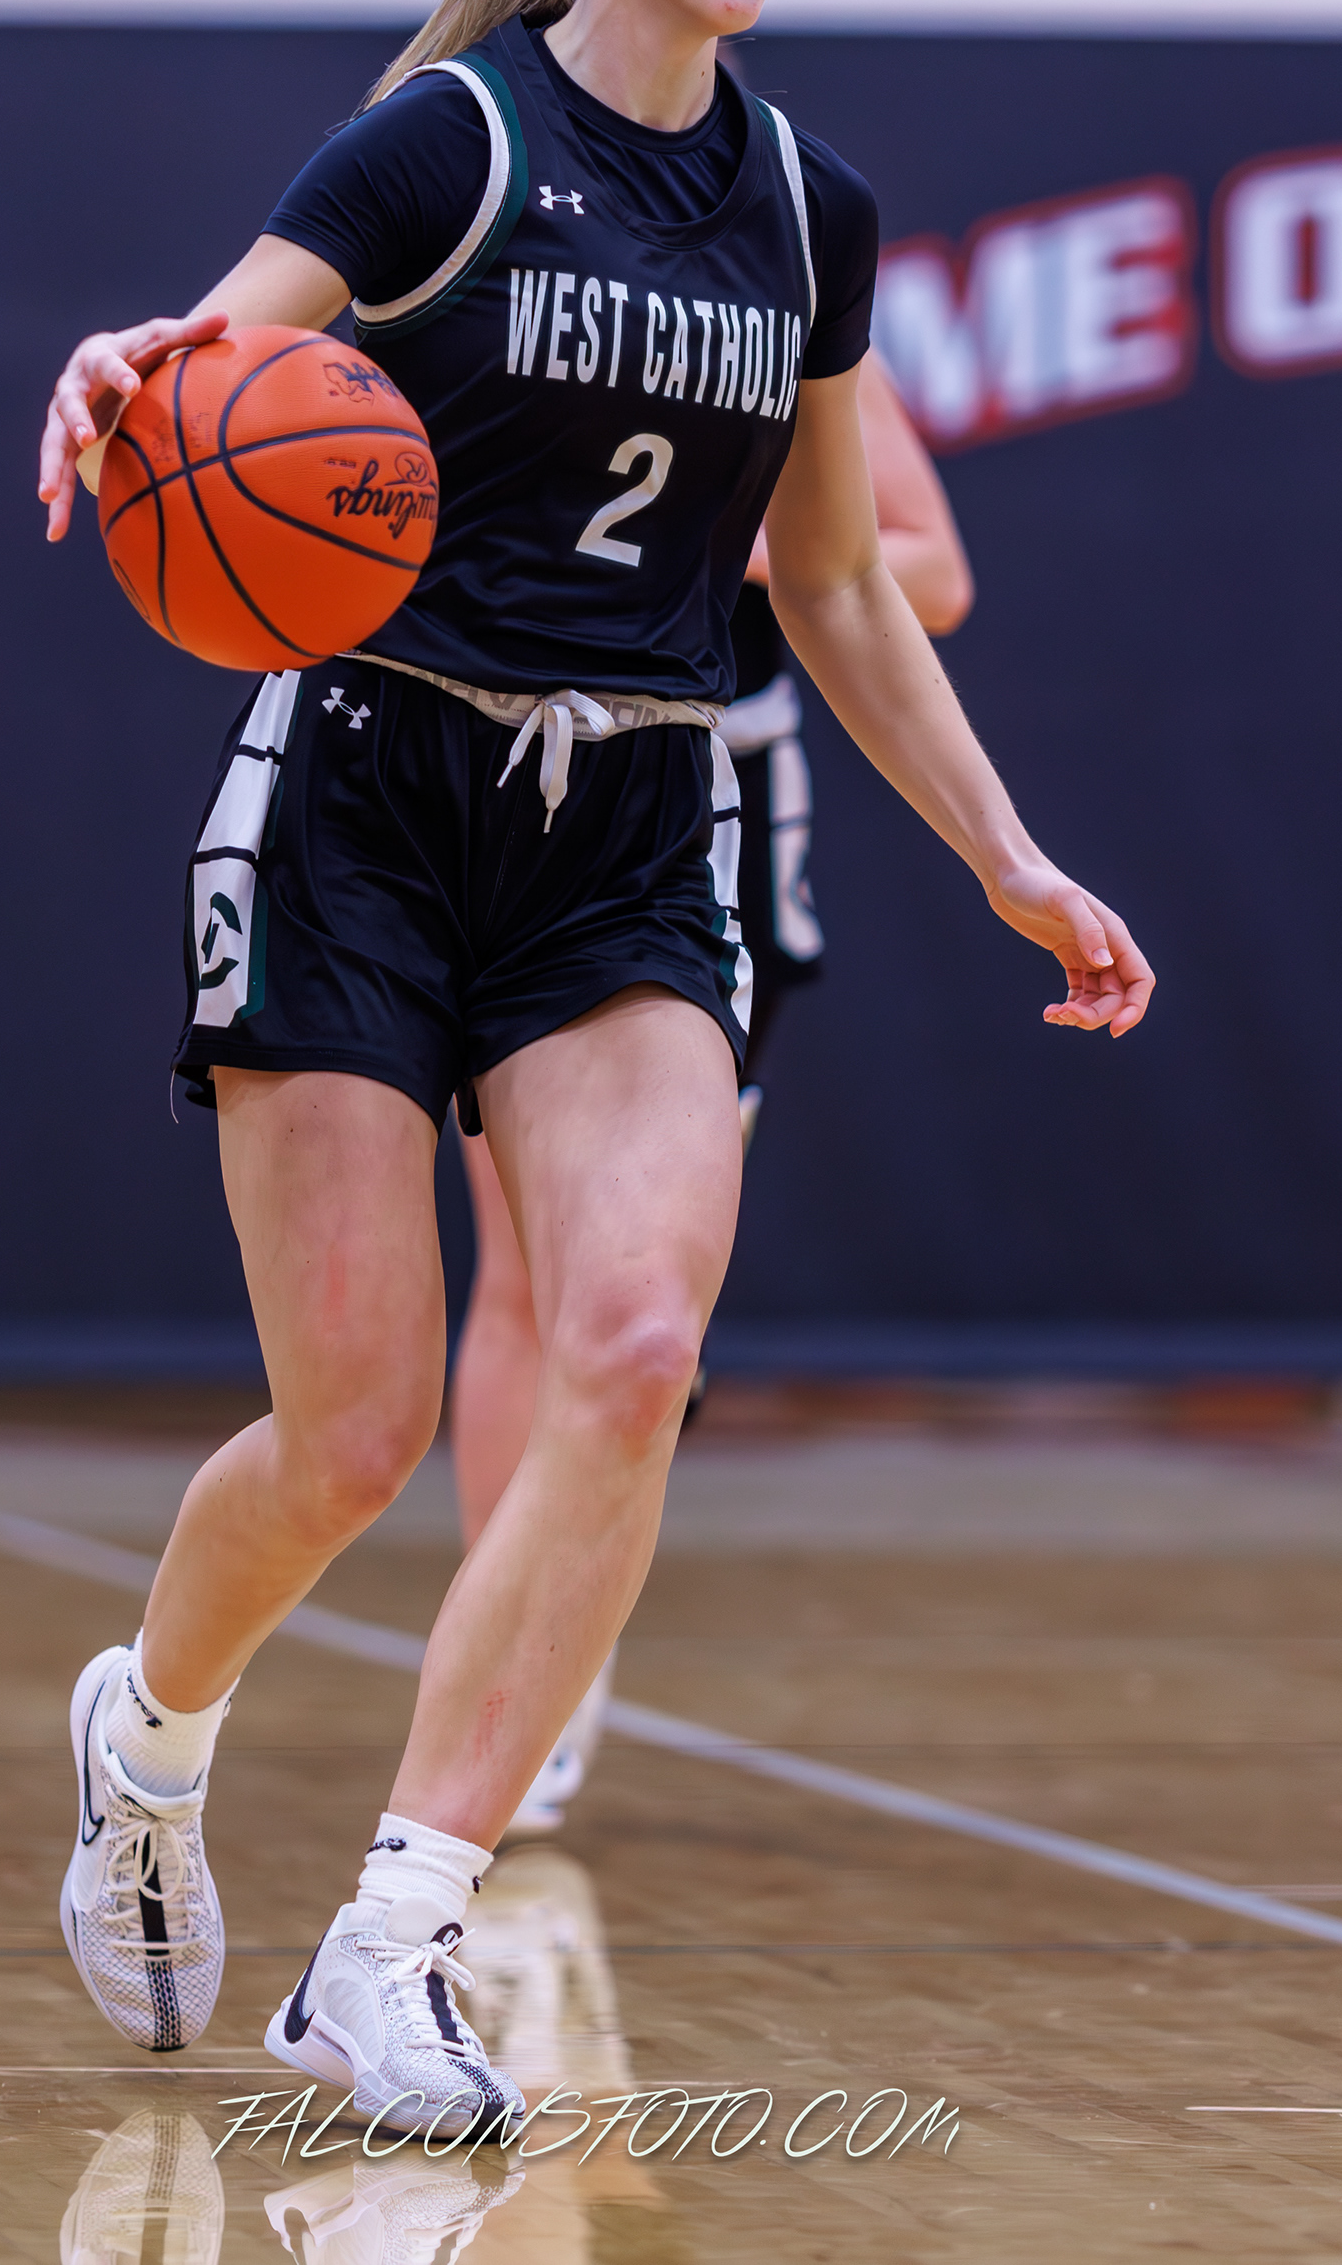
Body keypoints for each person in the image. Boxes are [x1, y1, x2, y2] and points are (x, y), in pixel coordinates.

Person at [35, 0, 1153, 2140]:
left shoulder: (809, 209)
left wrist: (1009, 852)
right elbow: (212, 364)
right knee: (354, 1430)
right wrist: (130, 374)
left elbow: (840, 582)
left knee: (633, 1343)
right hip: (367, 786)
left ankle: (393, 1937)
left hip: (637, 817)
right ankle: (152, 1733)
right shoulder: (452, 138)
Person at [450, 351, 973, 1831]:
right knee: (519, 1274)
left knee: (634, 1309)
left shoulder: (780, 303)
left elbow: (931, 573)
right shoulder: (510, 295)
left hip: (707, 804)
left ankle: (561, 1627)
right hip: (508, 770)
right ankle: (510, 1677)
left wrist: (729, 524)